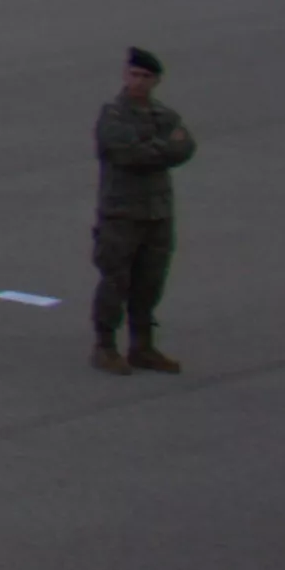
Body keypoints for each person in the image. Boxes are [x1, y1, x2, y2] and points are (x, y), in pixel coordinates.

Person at [91, 45, 198, 374]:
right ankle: (105, 346)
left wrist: (155, 149)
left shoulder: (163, 115)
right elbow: (126, 154)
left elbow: (186, 146)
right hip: (121, 213)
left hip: (157, 213)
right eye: (134, 75)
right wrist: (163, 149)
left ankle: (143, 346)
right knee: (115, 281)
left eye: (145, 77)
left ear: (156, 81)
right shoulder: (113, 115)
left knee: (150, 281)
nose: (138, 82)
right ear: (125, 76)